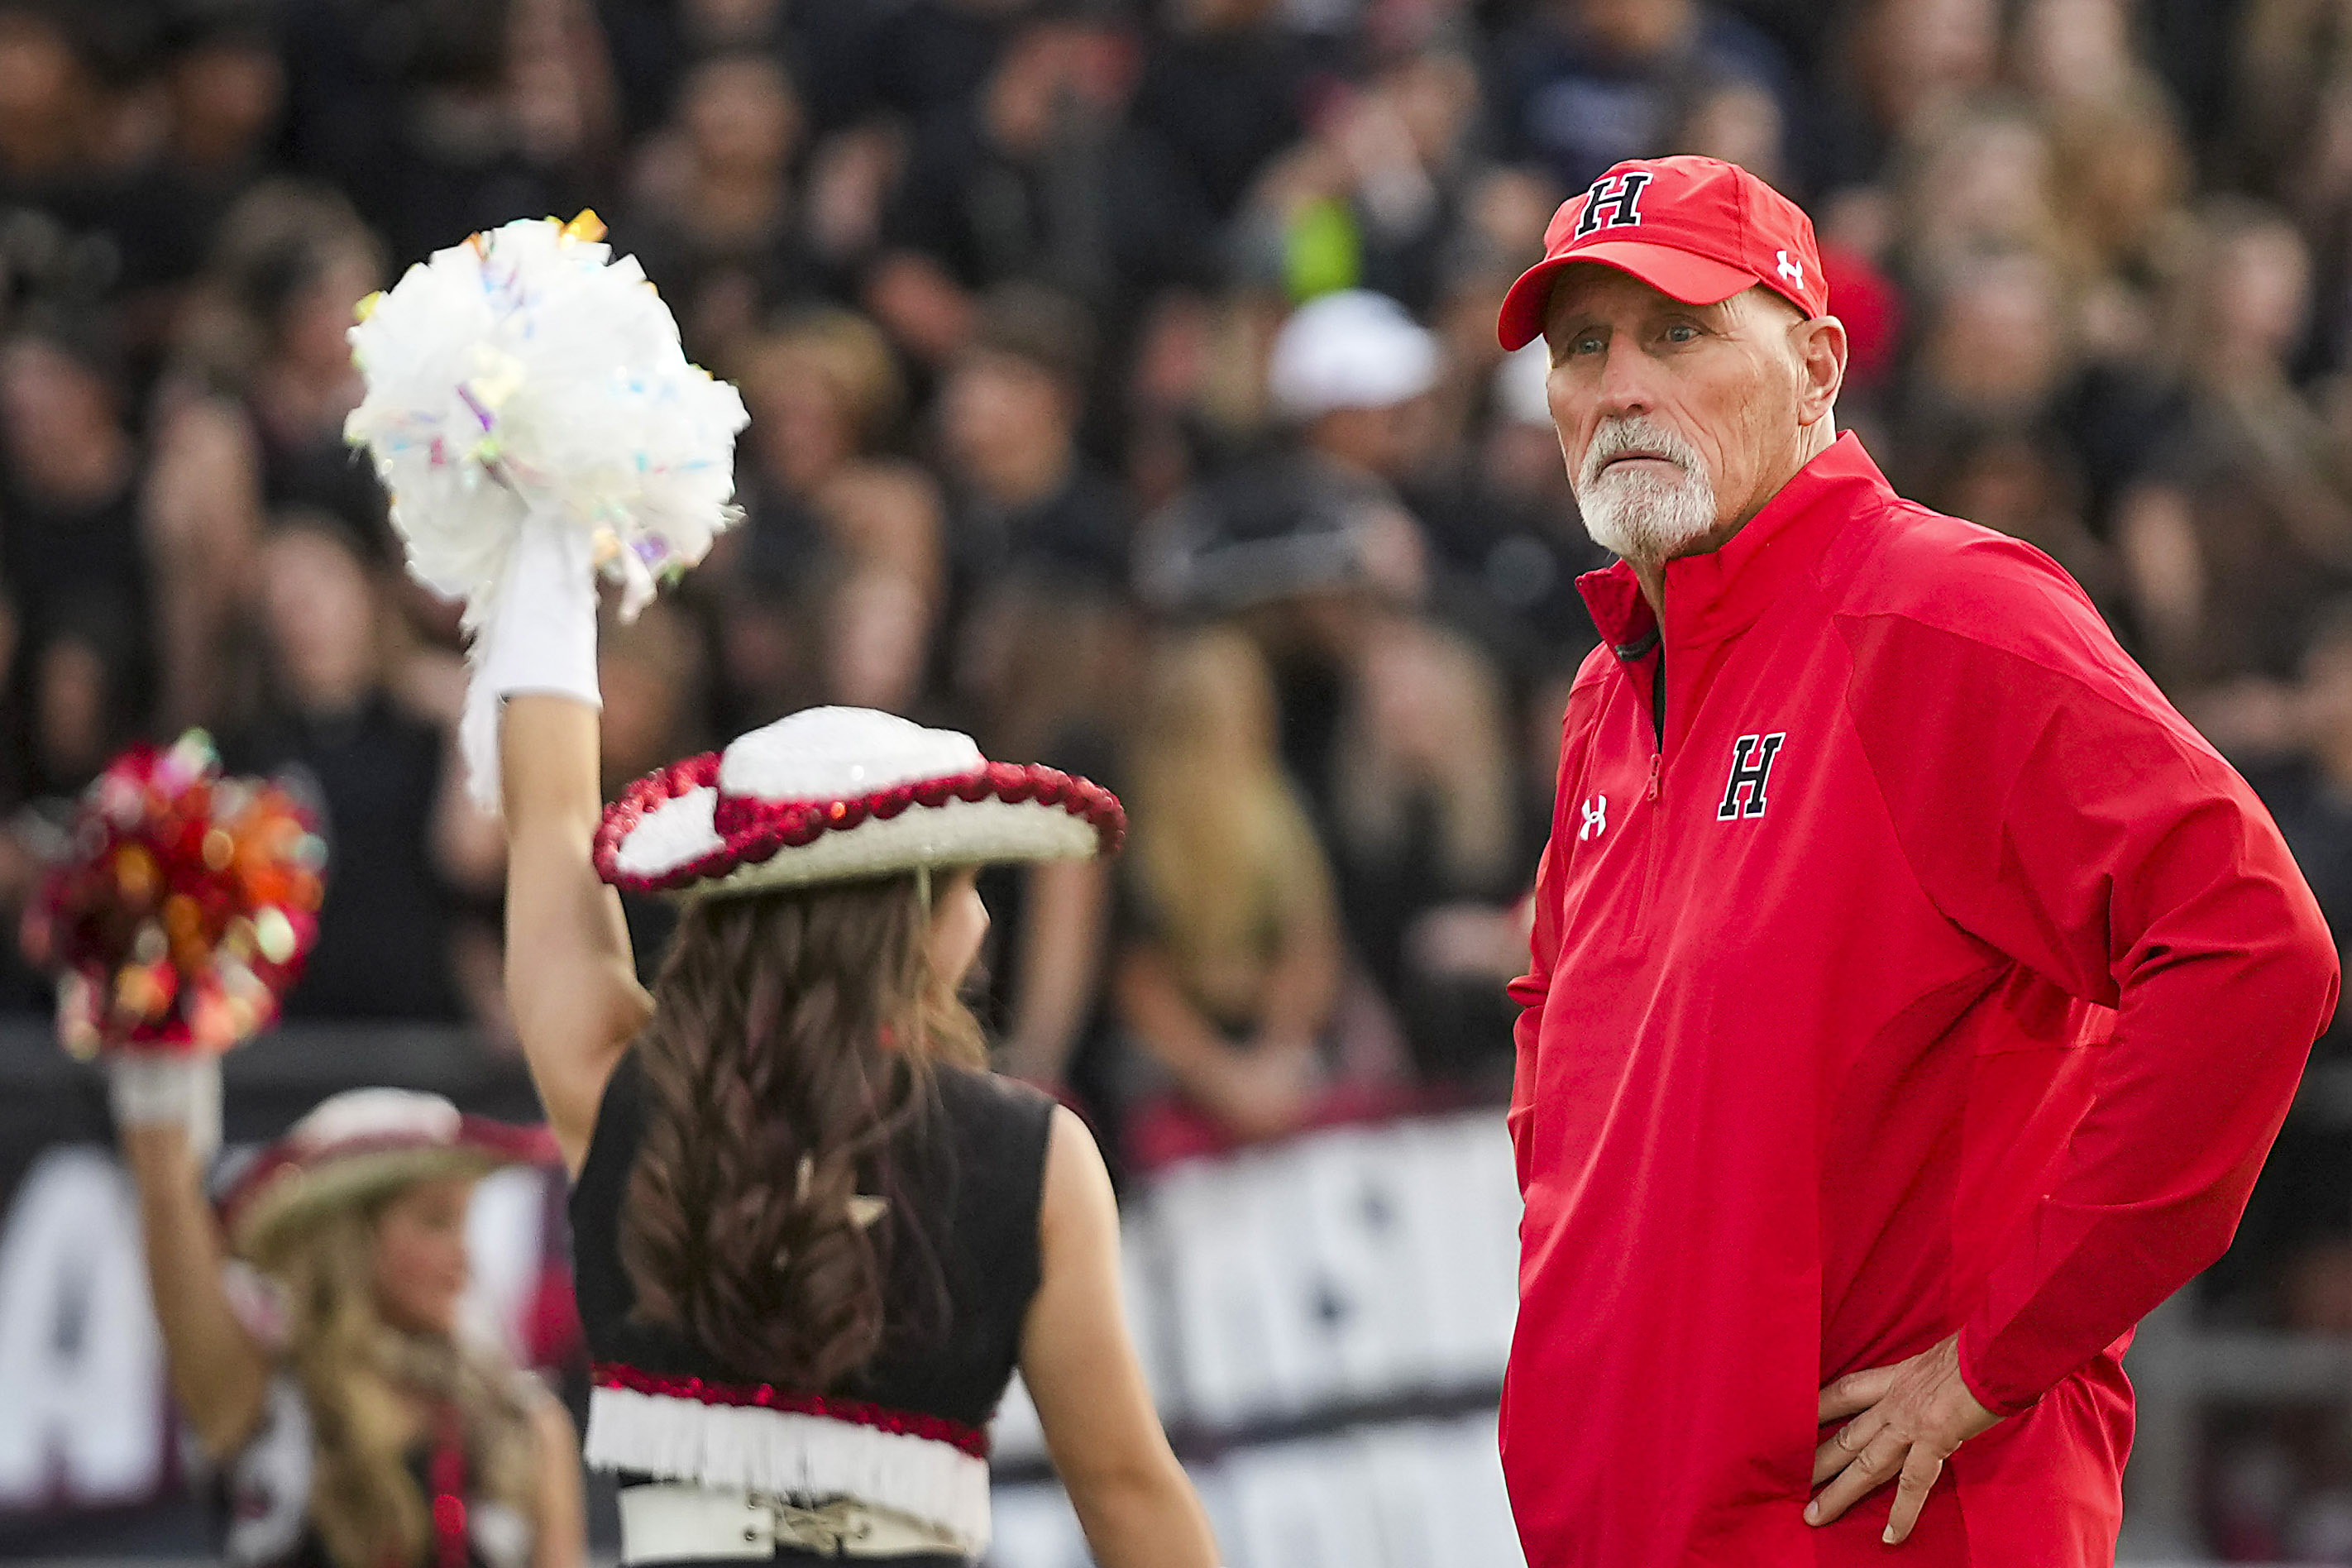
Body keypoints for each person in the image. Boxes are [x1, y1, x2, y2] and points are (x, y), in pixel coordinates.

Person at [1495, 154, 2339, 1566]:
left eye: (1679, 331)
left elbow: (2250, 952)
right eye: (1581, 345)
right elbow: (1554, 1035)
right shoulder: (1607, 690)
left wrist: (1998, 1351)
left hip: (1884, 1525)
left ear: (1815, 361)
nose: (1620, 385)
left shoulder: (1939, 615)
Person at [487, 517, 1220, 1565]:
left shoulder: (620, 1091)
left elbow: (551, 822)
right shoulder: (1035, 1159)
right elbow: (1126, 1491)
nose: (988, 919)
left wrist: (546, 538)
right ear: (912, 919)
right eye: (971, 882)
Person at [121, 1085, 586, 1568]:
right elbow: (165, 1187)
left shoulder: (526, 1422)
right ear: (347, 1240)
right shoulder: (264, 1402)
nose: (464, 1257)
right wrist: (162, 1067)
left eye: (465, 1223)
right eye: (435, 1222)